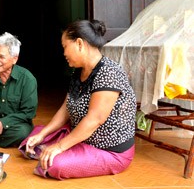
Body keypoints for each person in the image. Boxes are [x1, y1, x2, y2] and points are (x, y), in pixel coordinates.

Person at [19, 20, 136, 180]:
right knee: (33, 139)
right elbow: (65, 109)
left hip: (108, 150)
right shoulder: (78, 73)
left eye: (65, 46)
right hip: (81, 136)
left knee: (54, 165)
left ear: (79, 43)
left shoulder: (109, 73)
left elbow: (95, 120)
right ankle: (62, 149)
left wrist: (59, 146)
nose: (64, 53)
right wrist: (43, 134)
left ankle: (64, 152)